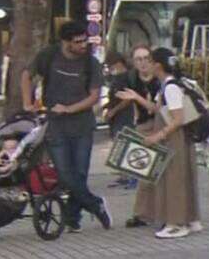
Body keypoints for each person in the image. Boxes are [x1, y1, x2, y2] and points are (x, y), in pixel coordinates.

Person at [20, 20, 111, 233]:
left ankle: (73, 218)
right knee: (64, 175)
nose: (83, 46)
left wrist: (69, 109)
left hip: (82, 127)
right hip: (56, 127)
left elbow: (94, 97)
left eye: (85, 41)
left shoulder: (90, 63)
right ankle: (95, 204)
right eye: (78, 42)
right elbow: (26, 75)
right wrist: (27, 101)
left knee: (79, 174)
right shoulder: (49, 56)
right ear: (65, 42)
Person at [120, 48, 203, 239]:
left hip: (174, 139)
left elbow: (177, 118)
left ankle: (176, 223)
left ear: (157, 65)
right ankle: (190, 219)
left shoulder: (171, 87)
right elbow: (158, 109)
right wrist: (136, 98)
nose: (145, 63)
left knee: (173, 181)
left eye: (149, 60)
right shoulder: (169, 85)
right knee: (181, 179)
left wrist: (157, 136)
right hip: (179, 138)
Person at [121, 45, 161, 227]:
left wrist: (137, 98)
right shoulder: (132, 79)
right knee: (144, 171)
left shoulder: (161, 80)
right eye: (139, 59)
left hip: (162, 125)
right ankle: (142, 214)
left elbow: (155, 108)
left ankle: (167, 211)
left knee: (163, 170)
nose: (143, 63)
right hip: (144, 125)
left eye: (146, 58)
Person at [103, 51, 138, 189]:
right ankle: (124, 175)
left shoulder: (126, 77)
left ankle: (132, 176)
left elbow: (126, 100)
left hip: (124, 115)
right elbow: (114, 98)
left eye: (110, 65)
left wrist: (113, 111)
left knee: (126, 144)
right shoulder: (116, 77)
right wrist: (105, 108)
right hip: (116, 116)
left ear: (117, 63)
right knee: (119, 145)